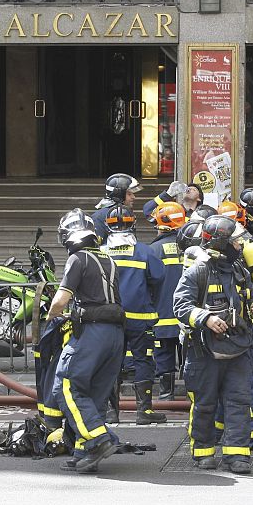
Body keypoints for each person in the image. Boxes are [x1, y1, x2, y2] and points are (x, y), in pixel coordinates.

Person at [173, 215, 253, 474]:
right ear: (221, 243)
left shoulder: (240, 271)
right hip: (204, 350)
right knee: (205, 403)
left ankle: (237, 455)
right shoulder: (198, 270)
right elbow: (180, 306)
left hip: (237, 348)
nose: (241, 246)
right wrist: (206, 318)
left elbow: (251, 299)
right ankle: (203, 452)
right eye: (236, 242)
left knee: (239, 401)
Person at [48, 209, 124, 473]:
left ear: (69, 235)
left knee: (67, 386)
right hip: (115, 335)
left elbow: (60, 301)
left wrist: (50, 316)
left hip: (92, 333)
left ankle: (99, 439)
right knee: (96, 394)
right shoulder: (109, 259)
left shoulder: (78, 259)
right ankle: (85, 454)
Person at [102, 205, 167, 426]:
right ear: (133, 224)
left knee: (111, 363)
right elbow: (158, 279)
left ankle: (111, 412)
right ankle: (143, 411)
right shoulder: (145, 251)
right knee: (143, 361)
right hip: (140, 319)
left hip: (109, 320)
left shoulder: (101, 252)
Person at [149, 201, 188, 401]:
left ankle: (166, 394)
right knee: (190, 354)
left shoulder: (154, 250)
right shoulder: (191, 247)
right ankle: (193, 393)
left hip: (162, 314)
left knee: (163, 353)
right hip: (188, 315)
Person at [92, 173, 142, 241]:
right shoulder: (99, 218)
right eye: (129, 194)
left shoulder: (125, 213)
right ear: (119, 195)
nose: (133, 197)